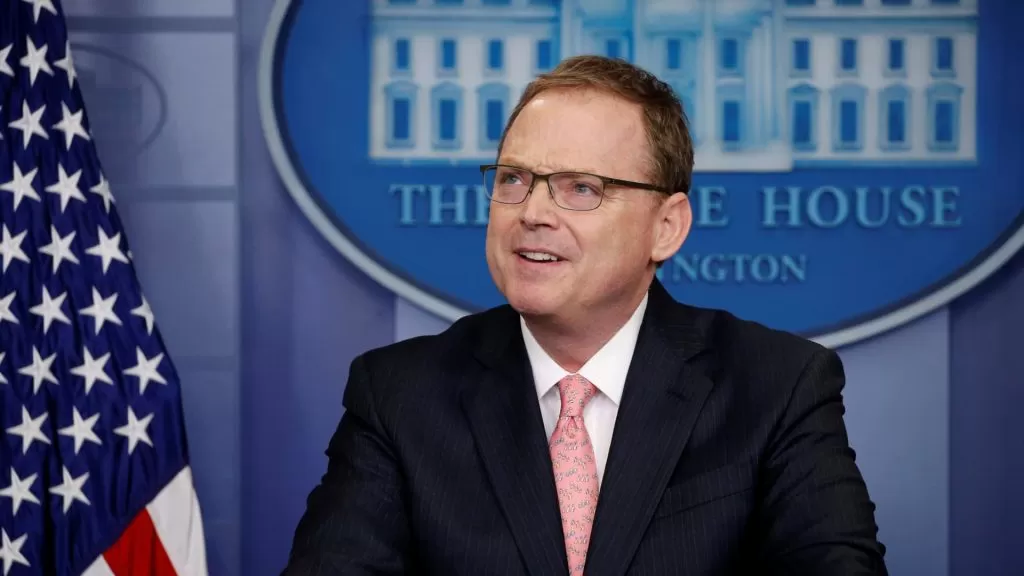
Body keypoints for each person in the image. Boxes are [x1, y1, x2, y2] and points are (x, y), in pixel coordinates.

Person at [283, 55, 888, 576]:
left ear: (666, 227)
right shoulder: (399, 395)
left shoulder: (776, 386)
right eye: (515, 179)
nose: (532, 213)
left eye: (581, 188)